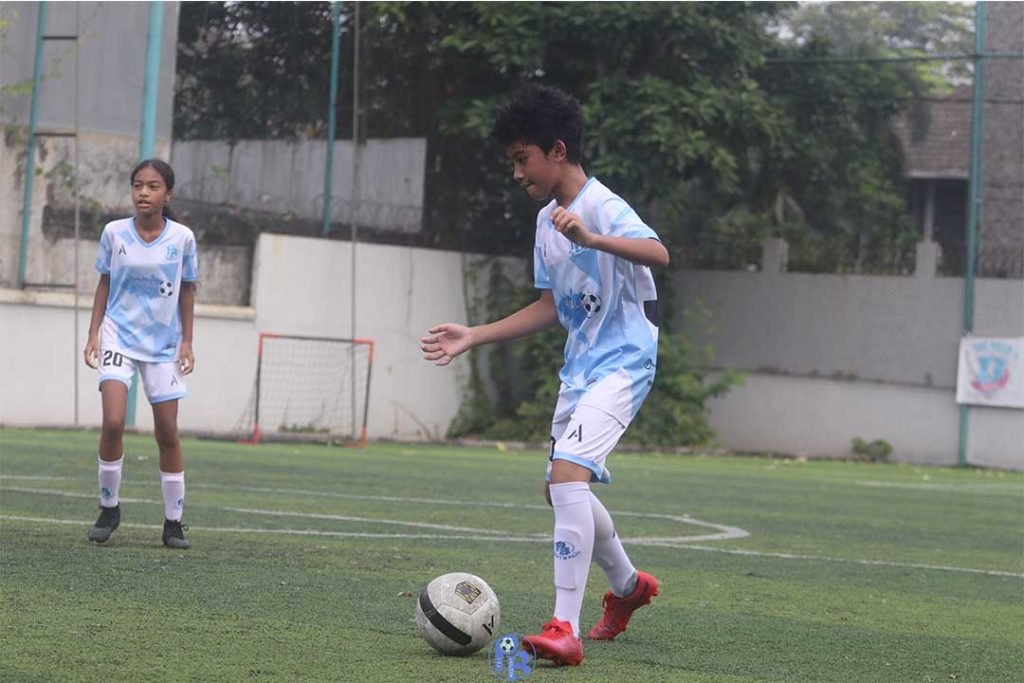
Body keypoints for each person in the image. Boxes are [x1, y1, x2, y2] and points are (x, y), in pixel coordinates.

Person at [420, 83, 669, 666]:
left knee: (567, 479)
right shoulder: (543, 223)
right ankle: (630, 588)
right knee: (560, 488)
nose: (516, 172)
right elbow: (552, 307)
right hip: (581, 369)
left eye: (521, 158)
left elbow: (658, 254)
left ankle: (565, 627)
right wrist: (474, 336)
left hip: (627, 361)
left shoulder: (601, 206)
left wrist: (592, 237)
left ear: (557, 150)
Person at [83, 158, 199, 550]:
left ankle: (173, 522)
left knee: (167, 432)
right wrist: (94, 333)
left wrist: (187, 342)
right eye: (137, 185)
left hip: (163, 345)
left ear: (168, 194)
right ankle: (108, 508)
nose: (143, 193)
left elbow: (187, 289)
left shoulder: (182, 238)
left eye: (152, 186)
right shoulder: (114, 233)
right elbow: (104, 282)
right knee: (113, 422)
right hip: (118, 336)